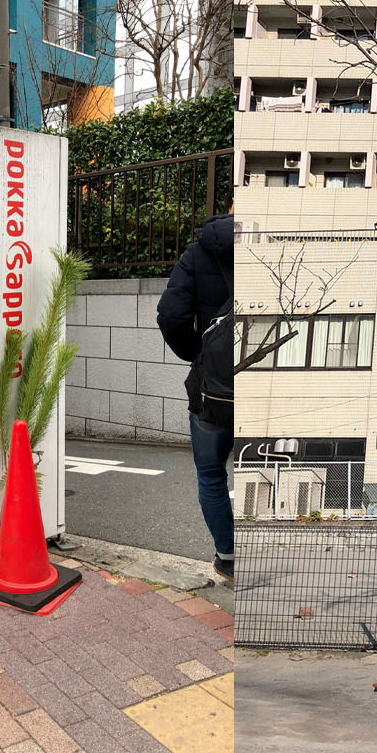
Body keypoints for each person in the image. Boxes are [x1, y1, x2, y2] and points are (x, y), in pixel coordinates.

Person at [157, 212, 235, 581]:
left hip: (212, 392)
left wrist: (200, 356)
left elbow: (171, 316)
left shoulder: (198, 251)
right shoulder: (280, 244)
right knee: (269, 469)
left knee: (210, 474)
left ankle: (228, 557)